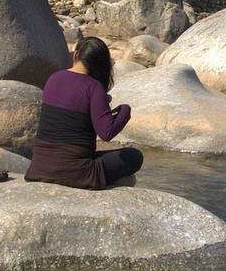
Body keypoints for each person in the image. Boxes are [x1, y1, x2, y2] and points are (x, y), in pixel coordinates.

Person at [25, 36, 143, 190]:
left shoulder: (53, 78)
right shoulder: (94, 87)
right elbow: (107, 133)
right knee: (134, 156)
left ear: (76, 55)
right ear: (101, 65)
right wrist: (125, 111)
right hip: (77, 172)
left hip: (40, 166)